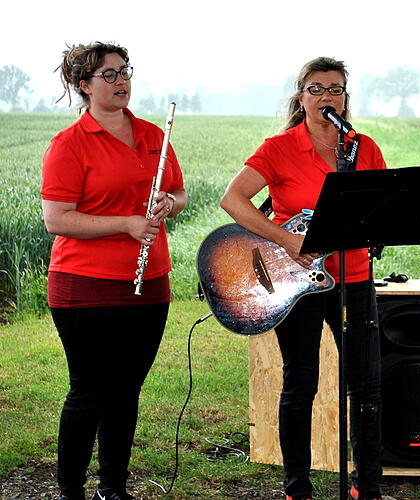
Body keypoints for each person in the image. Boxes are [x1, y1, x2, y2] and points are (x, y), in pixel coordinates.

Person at [220, 56, 386, 500]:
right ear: (301, 96)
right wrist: (285, 239)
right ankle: (298, 487)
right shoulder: (278, 147)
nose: (326, 97)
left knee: (366, 384)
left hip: (355, 276)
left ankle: (366, 486)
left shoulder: (363, 148)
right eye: (316, 89)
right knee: (301, 380)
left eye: (335, 89)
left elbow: (379, 206)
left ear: (345, 98)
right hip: (296, 280)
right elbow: (233, 199)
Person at [41, 42, 187, 500]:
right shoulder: (69, 145)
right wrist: (124, 223)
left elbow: (179, 194)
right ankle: (70, 490)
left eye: (125, 71)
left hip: (149, 284)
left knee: (126, 390)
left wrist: (169, 204)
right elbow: (57, 219)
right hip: (85, 286)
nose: (121, 80)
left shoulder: (152, 136)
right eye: (108, 75)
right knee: (89, 392)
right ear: (83, 85)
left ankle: (112, 487)